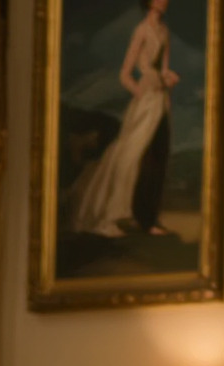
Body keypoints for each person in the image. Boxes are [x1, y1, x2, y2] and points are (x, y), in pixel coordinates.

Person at [66, 0, 177, 240]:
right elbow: (125, 74)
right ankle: (114, 213)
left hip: (160, 102)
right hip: (145, 103)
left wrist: (168, 78)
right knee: (130, 155)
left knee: (157, 155)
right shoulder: (141, 30)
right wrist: (141, 93)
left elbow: (164, 69)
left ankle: (147, 219)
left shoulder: (164, 31)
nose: (165, 1)